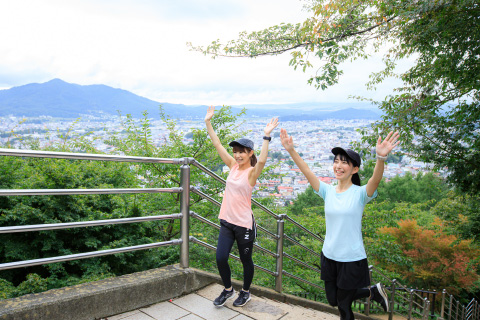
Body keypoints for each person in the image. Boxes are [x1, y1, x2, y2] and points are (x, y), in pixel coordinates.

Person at [280, 128, 400, 320]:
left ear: (355, 169)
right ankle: (372, 292)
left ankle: (372, 292)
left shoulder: (360, 194)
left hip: (351, 258)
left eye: (344, 162)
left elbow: (375, 180)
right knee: (333, 300)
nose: (338, 165)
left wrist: (380, 158)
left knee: (344, 306)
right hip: (329, 254)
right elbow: (307, 171)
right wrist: (291, 150)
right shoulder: (327, 191)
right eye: (336, 161)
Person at [205, 106, 279, 308]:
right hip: (227, 221)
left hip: (244, 225)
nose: (237, 155)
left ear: (249, 153)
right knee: (221, 258)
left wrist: (266, 137)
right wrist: (208, 122)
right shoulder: (232, 166)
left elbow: (262, 160)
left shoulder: (252, 173)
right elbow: (217, 143)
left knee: (246, 260)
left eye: (241, 152)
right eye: (235, 152)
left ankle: (245, 292)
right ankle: (228, 290)